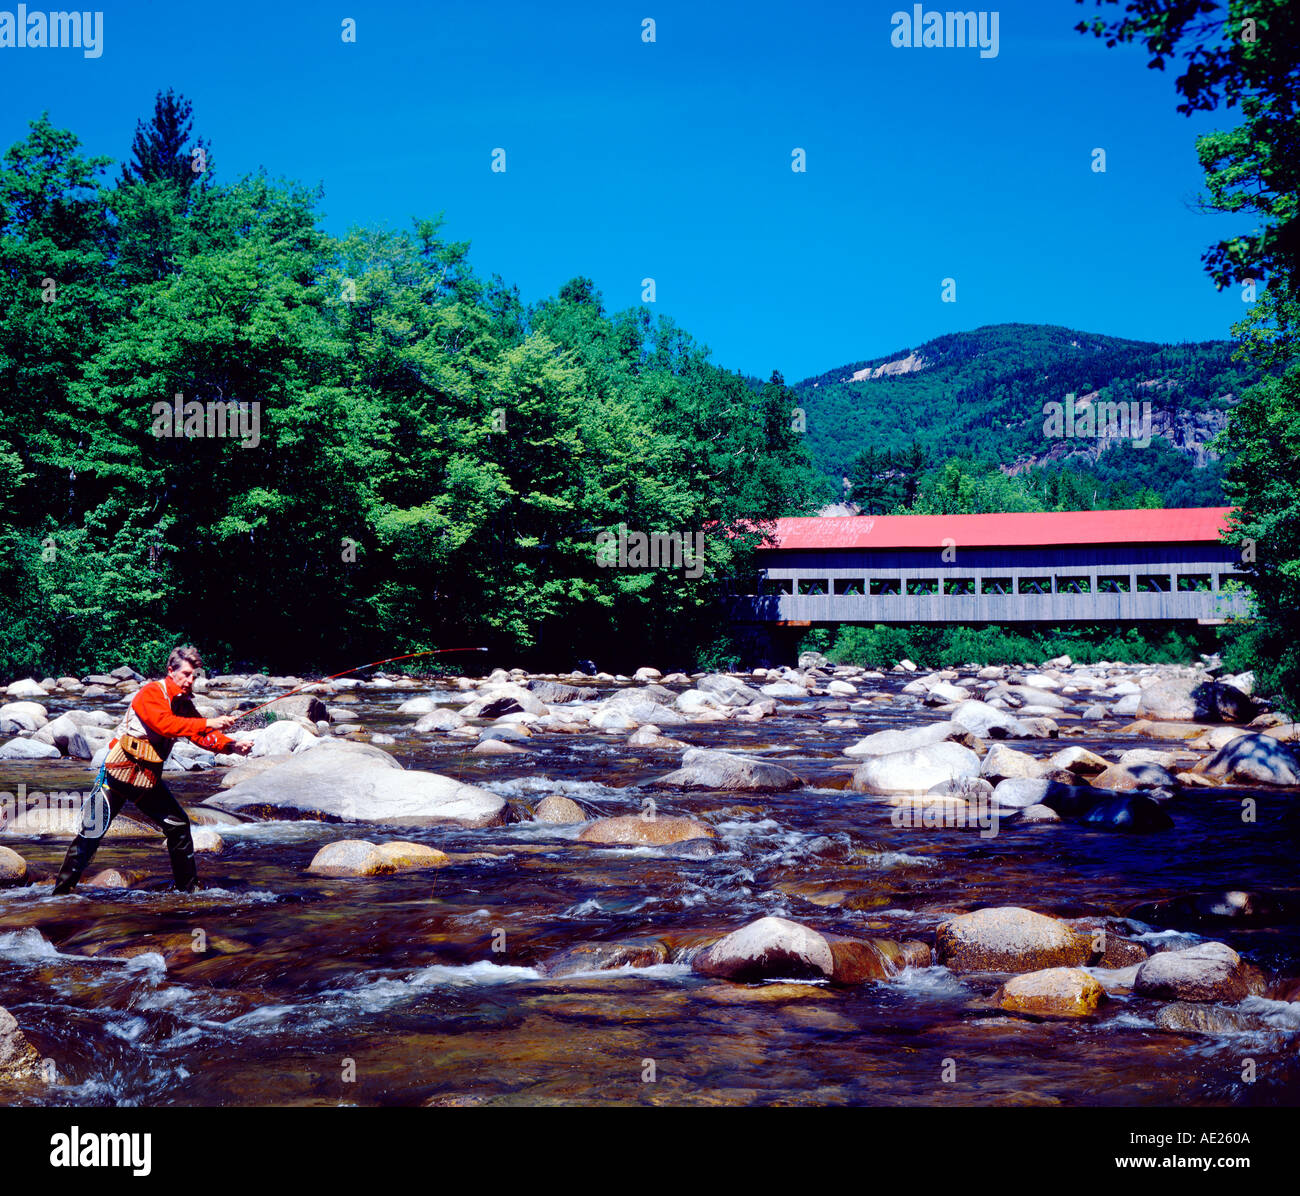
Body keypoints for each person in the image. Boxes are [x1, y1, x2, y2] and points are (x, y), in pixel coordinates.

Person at [52, 645, 252, 895]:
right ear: (171, 671)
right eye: (187, 674)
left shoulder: (182, 702)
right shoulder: (151, 693)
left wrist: (233, 746)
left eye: (194, 676)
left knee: (178, 825)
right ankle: (59, 895)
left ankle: (187, 891)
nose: (191, 680)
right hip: (117, 772)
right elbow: (165, 725)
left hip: (145, 778)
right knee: (91, 832)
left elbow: (200, 735)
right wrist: (209, 721)